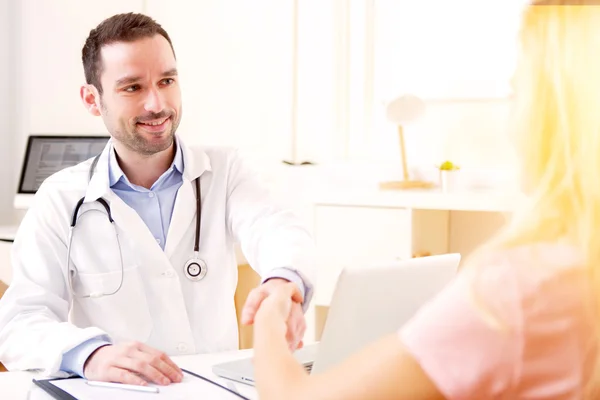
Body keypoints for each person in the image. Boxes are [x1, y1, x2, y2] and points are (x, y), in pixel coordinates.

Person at [252, 2, 600, 399]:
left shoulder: (520, 288)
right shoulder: (575, 267)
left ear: (556, 109)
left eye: (517, 92)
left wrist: (268, 313)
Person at [0, 12, 315, 387]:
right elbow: (20, 322)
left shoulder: (226, 170)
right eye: (132, 87)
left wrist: (283, 283)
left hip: (216, 390)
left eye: (166, 80)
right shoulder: (60, 199)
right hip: (117, 394)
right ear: (92, 99)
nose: (157, 104)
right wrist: (91, 354)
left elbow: (276, 227)